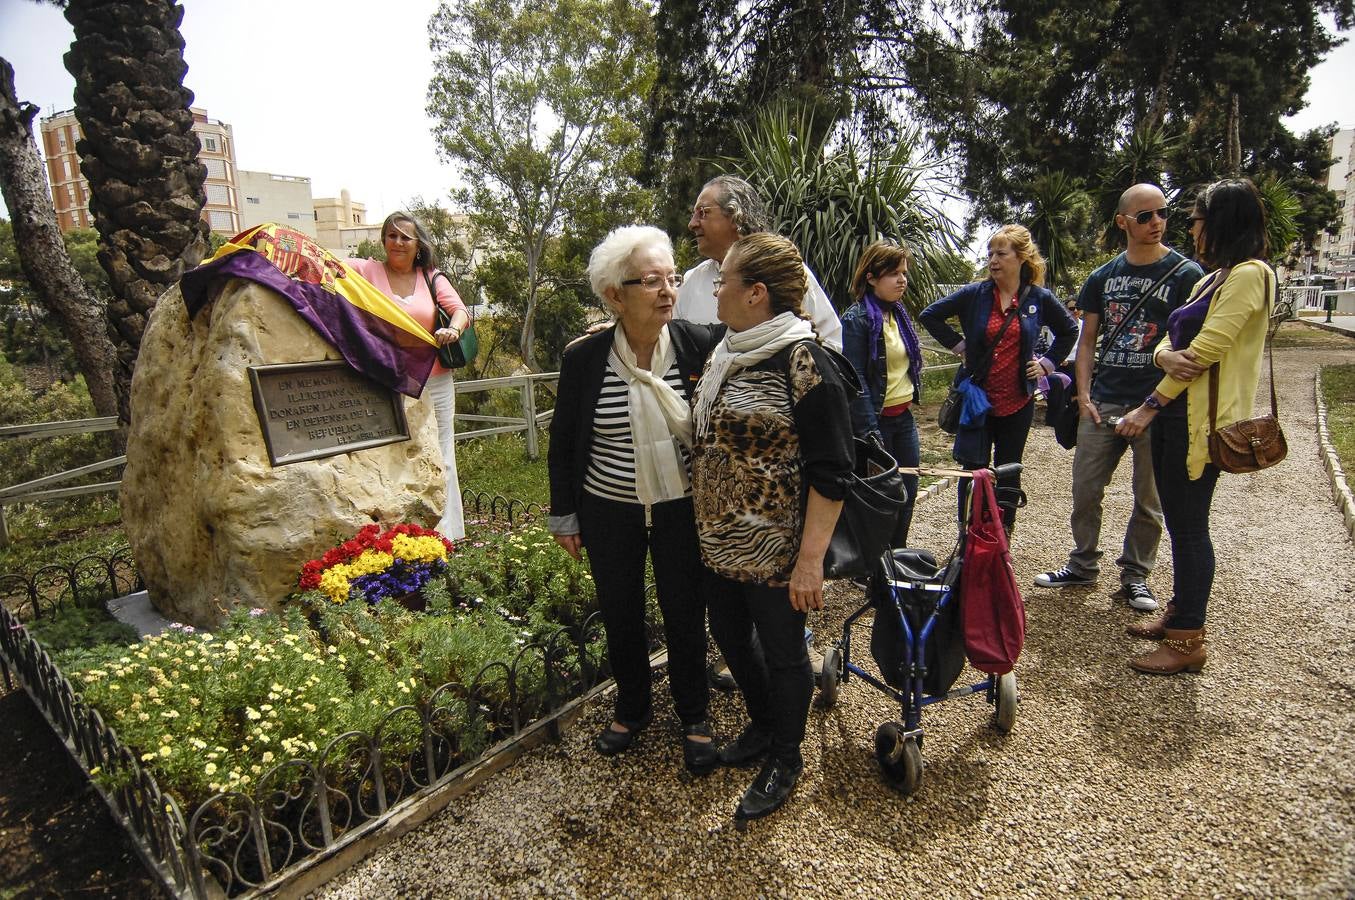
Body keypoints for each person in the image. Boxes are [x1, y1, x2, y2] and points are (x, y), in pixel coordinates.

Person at [689, 232, 854, 820]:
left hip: (775, 550)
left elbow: (834, 472)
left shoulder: (805, 361)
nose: (715, 288)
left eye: (723, 280)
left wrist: (810, 562)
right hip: (717, 541)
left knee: (784, 654)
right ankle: (763, 726)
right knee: (733, 641)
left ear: (756, 293)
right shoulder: (728, 351)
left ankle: (787, 755)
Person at [547, 225, 722, 773]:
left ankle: (694, 713)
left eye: (671, 278)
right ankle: (632, 707)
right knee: (621, 612)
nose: (668, 290)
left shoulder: (699, 343)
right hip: (609, 508)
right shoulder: (586, 358)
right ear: (614, 295)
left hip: (681, 506)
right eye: (651, 281)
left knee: (685, 611)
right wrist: (565, 515)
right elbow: (565, 441)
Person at [1115, 178, 1275, 675]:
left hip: (1197, 424)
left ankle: (1188, 641)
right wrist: (1164, 353)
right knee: (1181, 524)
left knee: (1187, 530)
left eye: (1197, 219)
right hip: (1176, 416)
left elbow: (1204, 352)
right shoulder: (1215, 277)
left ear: (1221, 221)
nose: (1191, 228)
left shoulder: (1251, 275)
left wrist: (1147, 406)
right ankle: (1179, 614)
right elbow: (1172, 339)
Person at [1034, 184, 1204, 612]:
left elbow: (1193, 342)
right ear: (1123, 222)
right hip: (1104, 399)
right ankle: (1083, 563)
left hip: (1156, 404)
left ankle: (1135, 574)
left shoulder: (1187, 275)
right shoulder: (1103, 277)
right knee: (1085, 489)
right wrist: (1083, 394)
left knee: (1150, 499)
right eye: (1145, 216)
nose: (1156, 222)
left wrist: (1160, 402)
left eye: (1162, 213)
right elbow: (1087, 339)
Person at [919, 225, 1078, 531]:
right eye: (990, 253)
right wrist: (959, 345)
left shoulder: (1039, 298)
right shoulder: (974, 295)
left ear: (1021, 258)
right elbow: (930, 315)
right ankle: (969, 535)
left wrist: (1046, 364)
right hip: (978, 400)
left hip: (1018, 401)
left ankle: (1002, 536)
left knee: (1008, 469)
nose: (993, 259)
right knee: (973, 469)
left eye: (1001, 253)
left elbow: (1069, 331)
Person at [347, 212, 470, 539]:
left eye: (406, 237)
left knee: (442, 452)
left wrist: (452, 330)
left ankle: (447, 534)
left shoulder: (432, 277)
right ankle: (402, 536)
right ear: (383, 240)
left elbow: (460, 311)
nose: (398, 243)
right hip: (388, 381)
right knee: (396, 454)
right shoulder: (367, 271)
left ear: (418, 245)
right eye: (392, 235)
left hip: (435, 379)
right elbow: (328, 268)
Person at [676, 175, 843, 350]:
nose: (692, 224)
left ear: (735, 216)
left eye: (702, 212)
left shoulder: (787, 273)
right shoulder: (691, 282)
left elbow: (830, 342)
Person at [840, 239, 924, 548]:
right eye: (893, 273)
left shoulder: (898, 315)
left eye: (904, 272)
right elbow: (855, 379)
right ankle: (874, 565)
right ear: (871, 277)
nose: (902, 279)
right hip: (876, 425)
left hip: (903, 419)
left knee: (908, 491)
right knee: (879, 496)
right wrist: (869, 430)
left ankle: (896, 558)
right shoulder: (857, 320)